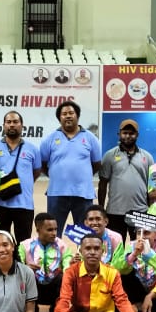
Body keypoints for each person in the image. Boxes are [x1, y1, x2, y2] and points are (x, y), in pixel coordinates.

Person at [53, 233, 145, 312]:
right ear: (81, 251)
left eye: (96, 248)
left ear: (103, 251)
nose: (92, 252)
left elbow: (122, 300)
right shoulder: (71, 272)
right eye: (88, 248)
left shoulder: (112, 273)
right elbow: (64, 299)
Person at [40, 101, 102, 235]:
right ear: (59, 118)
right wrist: (56, 175)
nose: (68, 116)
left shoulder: (90, 138)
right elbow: (43, 164)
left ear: (77, 116)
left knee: (84, 235)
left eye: (71, 113)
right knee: (53, 234)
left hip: (83, 194)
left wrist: (82, 175)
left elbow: (97, 164)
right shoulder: (49, 139)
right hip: (56, 193)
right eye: (64, 114)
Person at [98, 119, 153, 240]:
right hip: (115, 212)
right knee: (115, 248)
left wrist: (151, 209)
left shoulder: (147, 157)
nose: (128, 136)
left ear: (137, 135)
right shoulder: (109, 155)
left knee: (140, 246)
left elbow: (151, 186)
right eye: (125, 133)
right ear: (119, 134)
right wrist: (101, 208)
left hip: (140, 211)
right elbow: (103, 184)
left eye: (131, 133)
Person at [0, 111, 42, 241]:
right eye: (8, 122)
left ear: (22, 125)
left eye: (15, 122)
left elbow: (36, 172)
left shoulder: (32, 149)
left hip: (24, 204)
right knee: (0, 242)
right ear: (3, 125)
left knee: (23, 243)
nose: (12, 125)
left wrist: (23, 184)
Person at [20, 213, 74, 312]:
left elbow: (67, 265)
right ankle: (31, 309)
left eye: (55, 229)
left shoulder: (62, 246)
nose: (54, 233)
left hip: (54, 287)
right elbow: (17, 267)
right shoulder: (24, 245)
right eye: (50, 230)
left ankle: (56, 308)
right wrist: (25, 269)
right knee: (26, 274)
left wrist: (65, 270)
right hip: (33, 288)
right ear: (38, 230)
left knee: (63, 277)